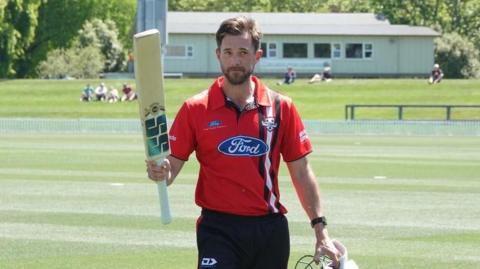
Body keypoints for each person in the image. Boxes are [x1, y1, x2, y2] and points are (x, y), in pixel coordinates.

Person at [146, 16, 339, 269]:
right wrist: (162, 171)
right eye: (228, 52)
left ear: (256, 56)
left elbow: (302, 172)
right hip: (218, 229)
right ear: (218, 54)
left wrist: (320, 231)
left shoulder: (281, 108)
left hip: (269, 230)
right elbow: (171, 168)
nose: (235, 60)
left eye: (243, 52)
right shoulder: (195, 108)